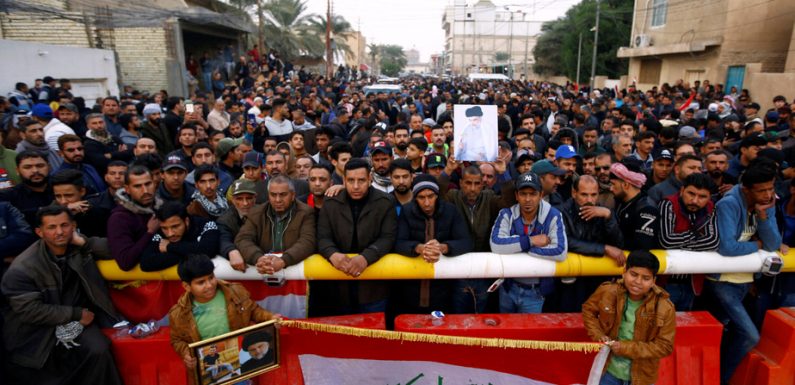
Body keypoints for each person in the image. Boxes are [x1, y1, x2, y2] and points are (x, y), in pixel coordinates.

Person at [2, 205, 124, 385]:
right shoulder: (23, 268)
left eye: (64, 225)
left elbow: (117, 251)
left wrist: (84, 242)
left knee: (98, 349)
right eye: (51, 227)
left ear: (73, 226)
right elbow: (30, 311)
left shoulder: (78, 248)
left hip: (81, 320)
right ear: (39, 232)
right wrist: (75, 314)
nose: (59, 232)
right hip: (37, 331)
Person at [710, 157, 782, 384]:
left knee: (724, 335)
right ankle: (720, 379)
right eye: (762, 190)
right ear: (746, 189)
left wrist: (763, 216)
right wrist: (757, 244)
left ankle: (714, 376)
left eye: (771, 189)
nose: (768, 195)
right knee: (750, 335)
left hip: (745, 281)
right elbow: (728, 247)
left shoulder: (766, 204)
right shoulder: (729, 204)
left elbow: (773, 243)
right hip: (722, 282)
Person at [169, 255, 279, 384]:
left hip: (239, 364)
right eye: (201, 282)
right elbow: (176, 340)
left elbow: (254, 310)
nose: (209, 285)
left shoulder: (235, 291)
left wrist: (270, 318)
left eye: (211, 278)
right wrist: (187, 354)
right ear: (187, 286)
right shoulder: (178, 314)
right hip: (207, 372)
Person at [315, 158, 397, 315]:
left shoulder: (385, 202)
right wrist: (332, 254)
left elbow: (388, 238)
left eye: (361, 180)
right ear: (344, 180)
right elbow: (322, 237)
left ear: (370, 179)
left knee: (373, 335)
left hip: (374, 289)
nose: (356, 186)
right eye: (351, 180)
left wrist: (366, 257)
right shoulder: (331, 202)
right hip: (338, 287)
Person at [581, 250, 676, 385]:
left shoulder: (664, 307)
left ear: (654, 281)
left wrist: (625, 348)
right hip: (608, 371)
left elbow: (665, 346)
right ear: (624, 272)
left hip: (642, 377)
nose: (638, 281)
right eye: (634, 274)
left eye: (646, 278)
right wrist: (598, 334)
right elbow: (588, 310)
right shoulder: (608, 291)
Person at [490, 172, 568, 313]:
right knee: (505, 332)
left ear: (541, 195)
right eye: (523, 194)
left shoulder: (553, 215)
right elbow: (496, 244)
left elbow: (560, 251)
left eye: (532, 194)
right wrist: (531, 241)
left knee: (528, 334)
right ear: (516, 195)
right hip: (508, 287)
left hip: (535, 292)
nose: (527, 199)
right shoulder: (506, 214)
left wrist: (519, 248)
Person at [394, 175, 472, 314]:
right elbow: (398, 242)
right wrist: (419, 248)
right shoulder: (406, 212)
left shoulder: (450, 211)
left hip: (444, 288)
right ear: (415, 198)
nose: (427, 203)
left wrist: (443, 247)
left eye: (431, 196)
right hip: (410, 287)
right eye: (421, 198)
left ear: (437, 195)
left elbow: (466, 242)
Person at [557, 175, 625, 312]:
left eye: (594, 195)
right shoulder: (561, 212)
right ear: (574, 193)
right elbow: (566, 241)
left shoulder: (604, 212)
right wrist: (604, 248)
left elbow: (618, 243)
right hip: (570, 282)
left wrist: (609, 217)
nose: (589, 200)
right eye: (584, 194)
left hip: (597, 280)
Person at [658, 173, 719, 311]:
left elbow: (713, 242)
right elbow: (667, 241)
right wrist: (696, 236)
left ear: (709, 197)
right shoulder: (668, 204)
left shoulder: (711, 207)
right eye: (691, 194)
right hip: (667, 281)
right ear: (682, 190)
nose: (695, 200)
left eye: (702, 197)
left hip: (693, 281)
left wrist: (680, 241)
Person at [235, 175, 316, 275]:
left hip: (295, 275)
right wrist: (259, 258)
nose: (278, 200)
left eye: (283, 195)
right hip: (263, 272)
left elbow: (307, 241)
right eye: (273, 195)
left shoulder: (306, 212)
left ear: (293, 195)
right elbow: (243, 239)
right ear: (268, 195)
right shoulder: (256, 213)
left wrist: (284, 260)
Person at [107, 165, 162, 271]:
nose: (145, 190)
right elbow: (125, 262)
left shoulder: (163, 208)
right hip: (136, 284)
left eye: (148, 184)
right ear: (127, 189)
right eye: (137, 186)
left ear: (154, 183)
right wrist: (150, 232)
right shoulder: (119, 219)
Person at [139, 201, 220, 271]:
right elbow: (146, 263)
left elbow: (209, 250)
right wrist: (192, 251)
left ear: (186, 221)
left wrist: (170, 247)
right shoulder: (160, 232)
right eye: (164, 228)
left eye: (175, 226)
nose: (170, 233)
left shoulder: (206, 224)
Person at [610, 162, 660, 250]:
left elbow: (642, 246)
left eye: (613, 184)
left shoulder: (647, 209)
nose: (610, 188)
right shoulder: (620, 202)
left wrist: (608, 217)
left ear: (625, 185)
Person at [0, 151, 54, 228]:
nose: (35, 170)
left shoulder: (62, 188)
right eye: (28, 167)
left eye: (40, 166)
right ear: (17, 171)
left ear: (49, 167)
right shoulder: (8, 197)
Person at [50, 169, 110, 237]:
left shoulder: (98, 212)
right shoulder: (51, 211)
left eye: (69, 195)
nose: (63, 201)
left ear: (82, 191)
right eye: (58, 196)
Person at [217, 180, 257, 272]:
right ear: (232, 200)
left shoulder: (266, 213)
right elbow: (223, 239)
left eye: (249, 198)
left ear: (255, 198)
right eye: (239, 199)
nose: (245, 203)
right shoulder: (225, 220)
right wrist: (231, 251)